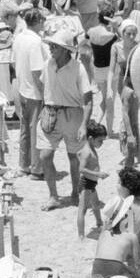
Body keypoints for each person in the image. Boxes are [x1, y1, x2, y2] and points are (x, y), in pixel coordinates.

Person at [37, 27, 92, 212]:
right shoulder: (47, 65)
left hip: (72, 115)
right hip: (50, 114)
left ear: (66, 49)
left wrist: (84, 125)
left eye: (55, 46)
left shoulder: (79, 68)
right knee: (45, 156)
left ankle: (75, 192)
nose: (51, 48)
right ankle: (53, 196)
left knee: (73, 158)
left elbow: (88, 100)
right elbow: (43, 88)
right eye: (51, 45)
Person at [90, 166, 140, 278]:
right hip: (130, 246)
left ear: (126, 188)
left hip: (109, 251)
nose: (116, 185)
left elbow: (106, 228)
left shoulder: (117, 202)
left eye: (118, 183)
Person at [11, 4, 47, 178]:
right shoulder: (35, 42)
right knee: (36, 130)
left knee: (25, 128)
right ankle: (36, 167)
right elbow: (37, 71)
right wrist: (46, 93)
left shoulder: (18, 38)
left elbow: (13, 63)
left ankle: (23, 164)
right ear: (38, 21)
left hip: (22, 88)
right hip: (34, 91)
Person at [75, 119, 107, 239]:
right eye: (100, 141)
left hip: (92, 183)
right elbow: (81, 169)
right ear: (90, 139)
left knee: (96, 204)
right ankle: (81, 235)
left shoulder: (89, 149)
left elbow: (78, 154)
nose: (101, 144)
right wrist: (98, 174)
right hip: (86, 183)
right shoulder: (87, 152)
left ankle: (99, 223)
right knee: (82, 210)